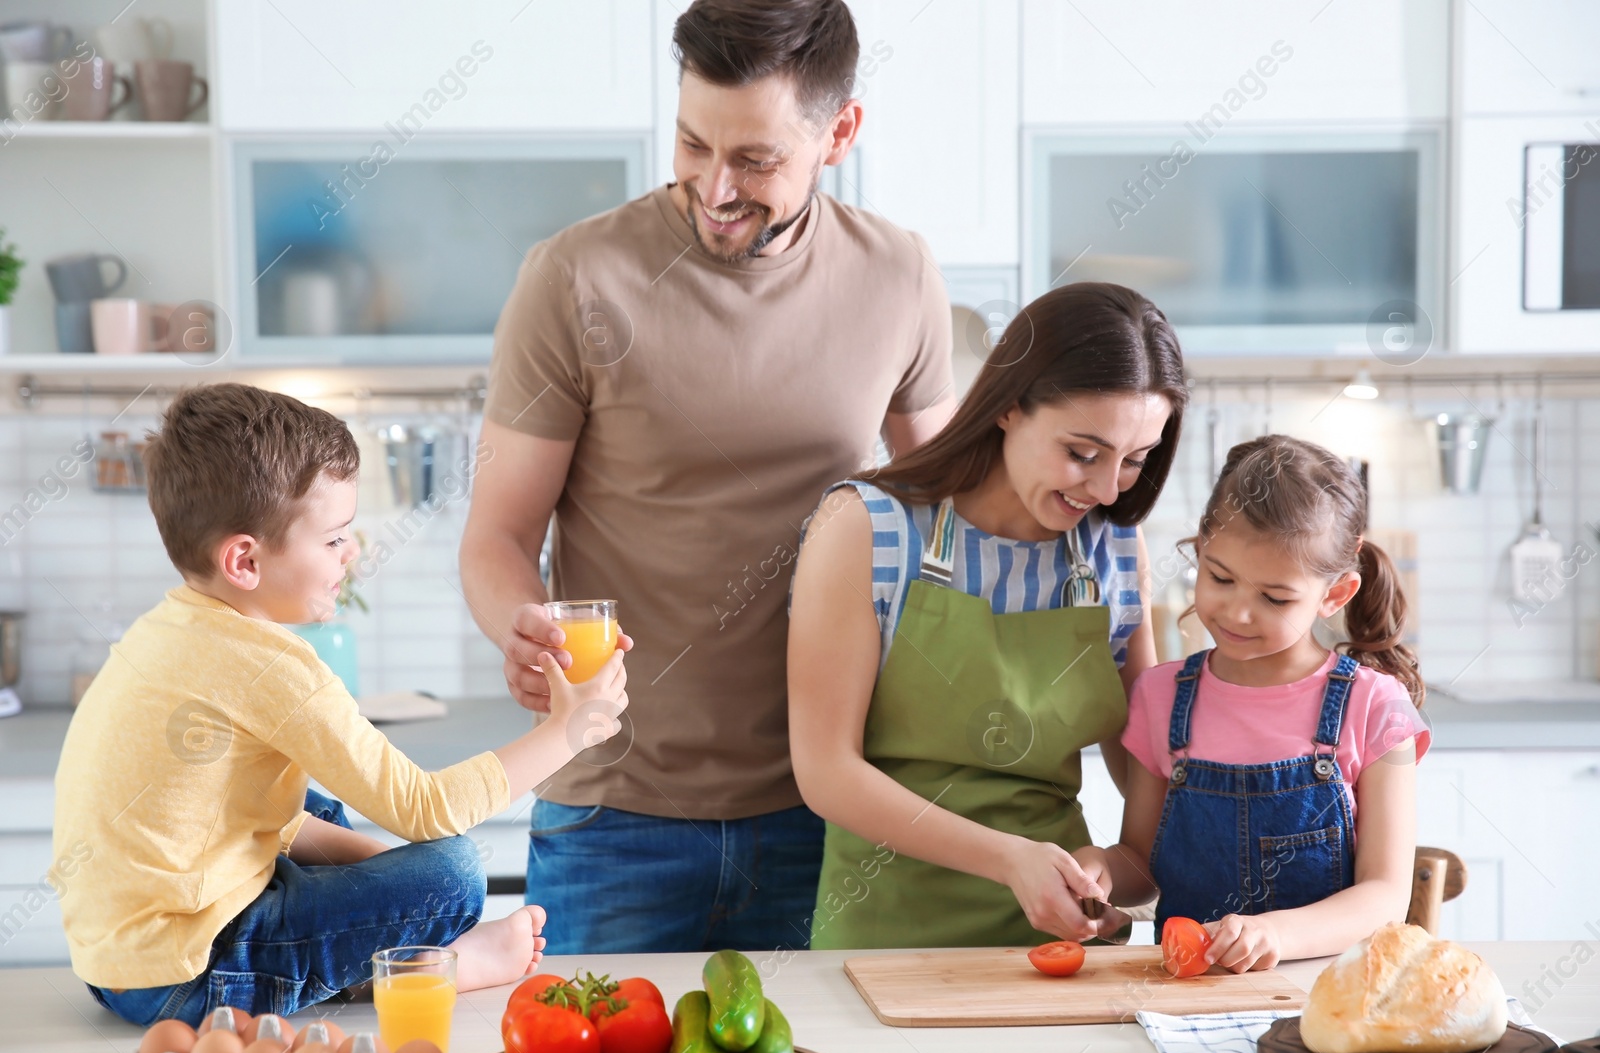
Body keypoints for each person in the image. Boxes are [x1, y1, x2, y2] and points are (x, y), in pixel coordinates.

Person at [460, 0, 955, 953]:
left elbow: (954, 510)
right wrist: (516, 626)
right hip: (614, 815)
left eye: (756, 160)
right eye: (693, 144)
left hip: (830, 803)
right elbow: (498, 538)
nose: (714, 187)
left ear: (840, 133)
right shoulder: (574, 278)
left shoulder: (899, 275)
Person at [54, 384, 628, 1026]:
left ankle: (374, 954)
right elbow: (427, 809)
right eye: (332, 540)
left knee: (303, 795)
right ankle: (429, 964)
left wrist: (385, 871)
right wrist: (572, 728)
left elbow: (265, 814)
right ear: (244, 559)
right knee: (454, 872)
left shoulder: (167, 630)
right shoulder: (269, 666)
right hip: (192, 979)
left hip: (117, 973)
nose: (350, 553)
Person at [788, 281, 1187, 948]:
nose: (1105, 487)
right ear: (1008, 407)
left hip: (1062, 937)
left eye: (1134, 461)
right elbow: (826, 769)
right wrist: (1010, 860)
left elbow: (1141, 761)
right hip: (887, 931)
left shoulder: (1113, 547)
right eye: (1082, 453)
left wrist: (1111, 870)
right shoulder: (868, 527)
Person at [1075, 435, 1429, 972]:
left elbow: (1384, 895)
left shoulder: (1376, 706)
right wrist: (1102, 871)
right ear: (1199, 552)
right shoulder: (1160, 696)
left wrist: (1274, 934)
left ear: (1334, 595)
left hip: (1322, 994)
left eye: (1275, 598)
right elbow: (1140, 867)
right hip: (1186, 992)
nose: (1238, 613)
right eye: (1220, 578)